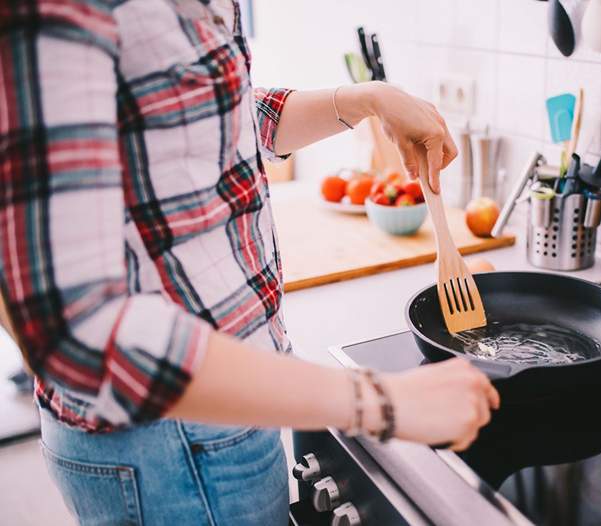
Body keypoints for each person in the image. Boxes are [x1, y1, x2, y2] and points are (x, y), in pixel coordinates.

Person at [0, 1, 500, 524]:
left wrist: (366, 99)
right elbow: (73, 328)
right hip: (165, 443)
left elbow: (201, 115)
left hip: (230, 406)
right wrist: (379, 401)